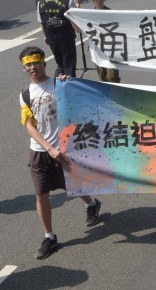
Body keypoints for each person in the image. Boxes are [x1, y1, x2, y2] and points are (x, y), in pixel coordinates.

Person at [19, 46, 101, 260]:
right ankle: (49, 236)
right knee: (41, 193)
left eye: (36, 62)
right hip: (40, 151)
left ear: (44, 63)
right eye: (28, 64)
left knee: (73, 185)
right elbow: (29, 125)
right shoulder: (25, 95)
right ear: (24, 68)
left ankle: (92, 203)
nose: (32, 67)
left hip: (65, 147)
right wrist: (48, 148)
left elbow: (82, 103)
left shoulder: (59, 85)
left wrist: (68, 84)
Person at [37, 0, 79, 77]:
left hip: (52, 40)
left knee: (60, 65)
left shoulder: (40, 3)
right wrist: (77, 7)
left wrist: (45, 36)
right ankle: (69, 89)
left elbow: (42, 22)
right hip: (66, 39)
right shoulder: (68, 2)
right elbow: (75, 22)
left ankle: (56, 87)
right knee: (69, 66)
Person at [89, 0, 120, 83]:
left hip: (111, 49)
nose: (99, 0)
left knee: (112, 78)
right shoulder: (88, 15)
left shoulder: (110, 13)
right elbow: (78, 29)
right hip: (97, 51)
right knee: (102, 78)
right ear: (93, 0)